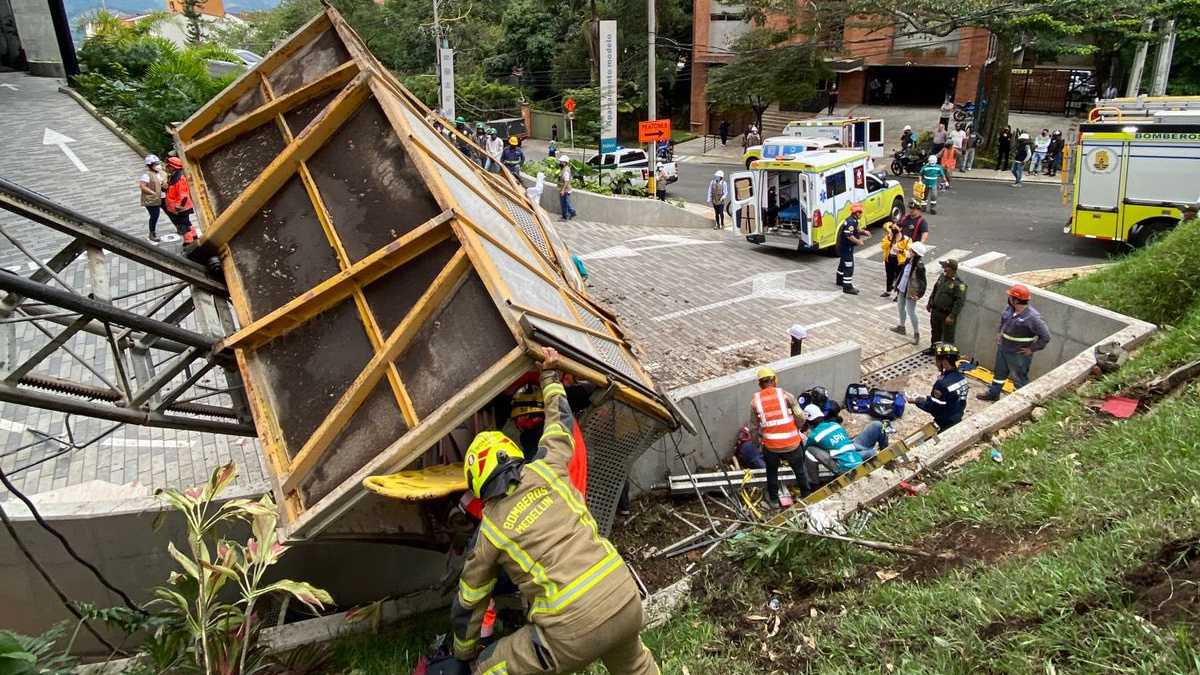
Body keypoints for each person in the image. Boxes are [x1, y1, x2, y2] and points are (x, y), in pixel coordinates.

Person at [452, 348, 660, 674]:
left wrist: (463, 655)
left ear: (478, 484)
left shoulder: (490, 528)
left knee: (487, 668)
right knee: (635, 666)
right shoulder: (548, 467)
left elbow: (469, 600)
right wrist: (549, 374)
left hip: (572, 631)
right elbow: (560, 421)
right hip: (623, 597)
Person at [978, 284, 1051, 401]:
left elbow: (1046, 337)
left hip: (1019, 354)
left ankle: (1019, 401)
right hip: (1004, 349)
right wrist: (1000, 333)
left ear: (1016, 300)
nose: (1009, 298)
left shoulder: (1033, 318)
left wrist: (1031, 349)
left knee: (1019, 378)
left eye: (1011, 296)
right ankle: (993, 393)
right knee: (999, 374)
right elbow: (1003, 321)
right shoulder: (1009, 309)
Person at [749, 367, 808, 506]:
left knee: (771, 472)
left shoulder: (754, 401)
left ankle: (774, 500)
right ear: (774, 380)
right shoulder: (787, 396)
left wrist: (756, 444)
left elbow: (753, 427)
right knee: (800, 470)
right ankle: (806, 496)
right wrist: (797, 428)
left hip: (771, 447)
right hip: (792, 444)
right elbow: (800, 416)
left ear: (760, 384)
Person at [802, 403, 889, 477]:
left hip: (842, 468)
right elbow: (845, 439)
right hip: (856, 457)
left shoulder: (813, 436)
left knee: (809, 451)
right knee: (877, 425)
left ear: (808, 422)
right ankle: (887, 456)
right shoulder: (834, 425)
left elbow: (806, 450)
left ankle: (813, 484)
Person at [914, 342, 969, 430]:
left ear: (944, 361)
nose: (935, 363)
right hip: (957, 417)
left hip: (944, 423)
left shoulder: (941, 384)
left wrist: (917, 401)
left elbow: (934, 407)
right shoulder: (962, 378)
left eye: (936, 360)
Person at [924, 258, 967, 354]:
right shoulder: (942, 277)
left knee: (947, 336)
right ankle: (934, 349)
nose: (943, 269)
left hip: (946, 315)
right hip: (936, 311)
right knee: (935, 332)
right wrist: (930, 303)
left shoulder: (959, 284)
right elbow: (935, 290)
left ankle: (946, 355)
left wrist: (952, 316)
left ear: (951, 269)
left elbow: (959, 302)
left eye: (946, 267)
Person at [891, 240, 927, 344]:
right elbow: (903, 273)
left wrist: (919, 295)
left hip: (911, 292)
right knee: (900, 307)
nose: (909, 251)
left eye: (911, 250)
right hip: (902, 289)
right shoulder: (909, 260)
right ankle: (901, 327)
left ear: (915, 253)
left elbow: (923, 283)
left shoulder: (919, 266)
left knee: (911, 312)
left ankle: (916, 333)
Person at [835, 202, 869, 295]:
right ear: (857, 213)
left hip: (843, 247)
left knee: (843, 263)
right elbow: (849, 235)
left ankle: (839, 280)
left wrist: (863, 232)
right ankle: (847, 287)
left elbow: (856, 229)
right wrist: (858, 241)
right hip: (846, 248)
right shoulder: (851, 222)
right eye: (861, 212)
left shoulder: (853, 220)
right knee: (849, 266)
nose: (861, 214)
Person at [163, 157, 194, 237]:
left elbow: (184, 196)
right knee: (187, 223)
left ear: (173, 167)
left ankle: (189, 243)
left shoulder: (180, 179)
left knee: (183, 227)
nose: (166, 167)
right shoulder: (172, 177)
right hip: (177, 207)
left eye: (168, 165)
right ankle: (194, 237)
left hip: (181, 208)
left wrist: (180, 206)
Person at [880, 217, 910, 297]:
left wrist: (900, 251)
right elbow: (883, 246)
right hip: (889, 258)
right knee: (889, 275)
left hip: (900, 261)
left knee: (899, 277)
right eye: (893, 227)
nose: (893, 229)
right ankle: (888, 291)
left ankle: (898, 295)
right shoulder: (889, 236)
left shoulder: (906, 239)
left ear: (901, 228)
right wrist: (889, 238)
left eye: (895, 227)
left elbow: (909, 253)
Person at [138, 154, 165, 242]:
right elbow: (142, 186)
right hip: (152, 199)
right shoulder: (146, 175)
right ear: (149, 165)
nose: (158, 166)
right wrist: (153, 193)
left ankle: (179, 227)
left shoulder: (160, 173)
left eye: (158, 163)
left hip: (162, 197)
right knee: (154, 216)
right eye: (155, 164)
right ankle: (152, 233)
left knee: (171, 212)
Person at [557, 156, 577, 221]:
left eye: (561, 162)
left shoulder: (565, 170)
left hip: (565, 190)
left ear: (565, 163)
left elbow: (566, 181)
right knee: (566, 203)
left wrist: (563, 190)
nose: (560, 163)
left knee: (565, 204)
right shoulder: (564, 168)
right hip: (564, 189)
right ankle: (569, 214)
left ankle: (567, 215)